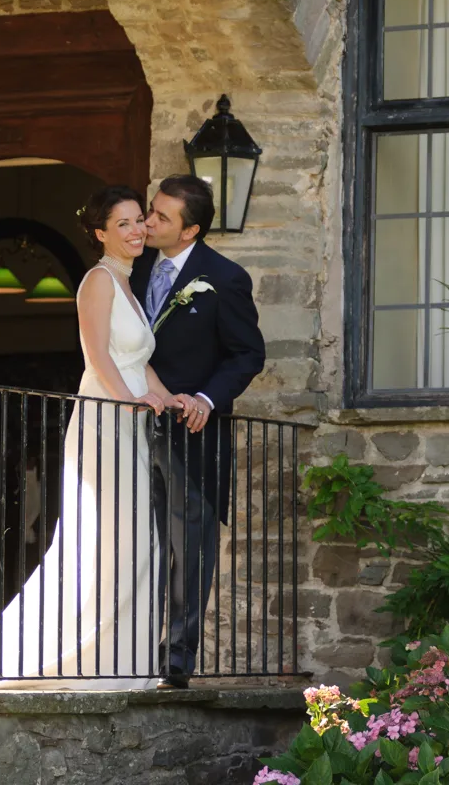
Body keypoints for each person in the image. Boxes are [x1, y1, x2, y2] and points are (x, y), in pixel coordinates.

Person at [0, 184, 195, 689]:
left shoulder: (127, 282)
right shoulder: (98, 281)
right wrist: (132, 401)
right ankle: (69, 658)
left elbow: (138, 363)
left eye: (139, 219)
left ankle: (123, 660)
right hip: (104, 422)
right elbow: (99, 357)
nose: (137, 229)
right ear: (101, 234)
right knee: (109, 539)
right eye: (122, 223)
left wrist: (170, 398)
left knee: (136, 541)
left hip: (128, 419)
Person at [130, 174, 265, 689]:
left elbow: (247, 353)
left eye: (161, 216)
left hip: (193, 431)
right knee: (135, 537)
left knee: (189, 545)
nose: (148, 222)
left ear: (190, 231)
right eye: (149, 210)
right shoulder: (133, 266)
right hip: (132, 423)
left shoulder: (224, 278)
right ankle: (131, 644)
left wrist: (207, 400)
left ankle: (177, 657)